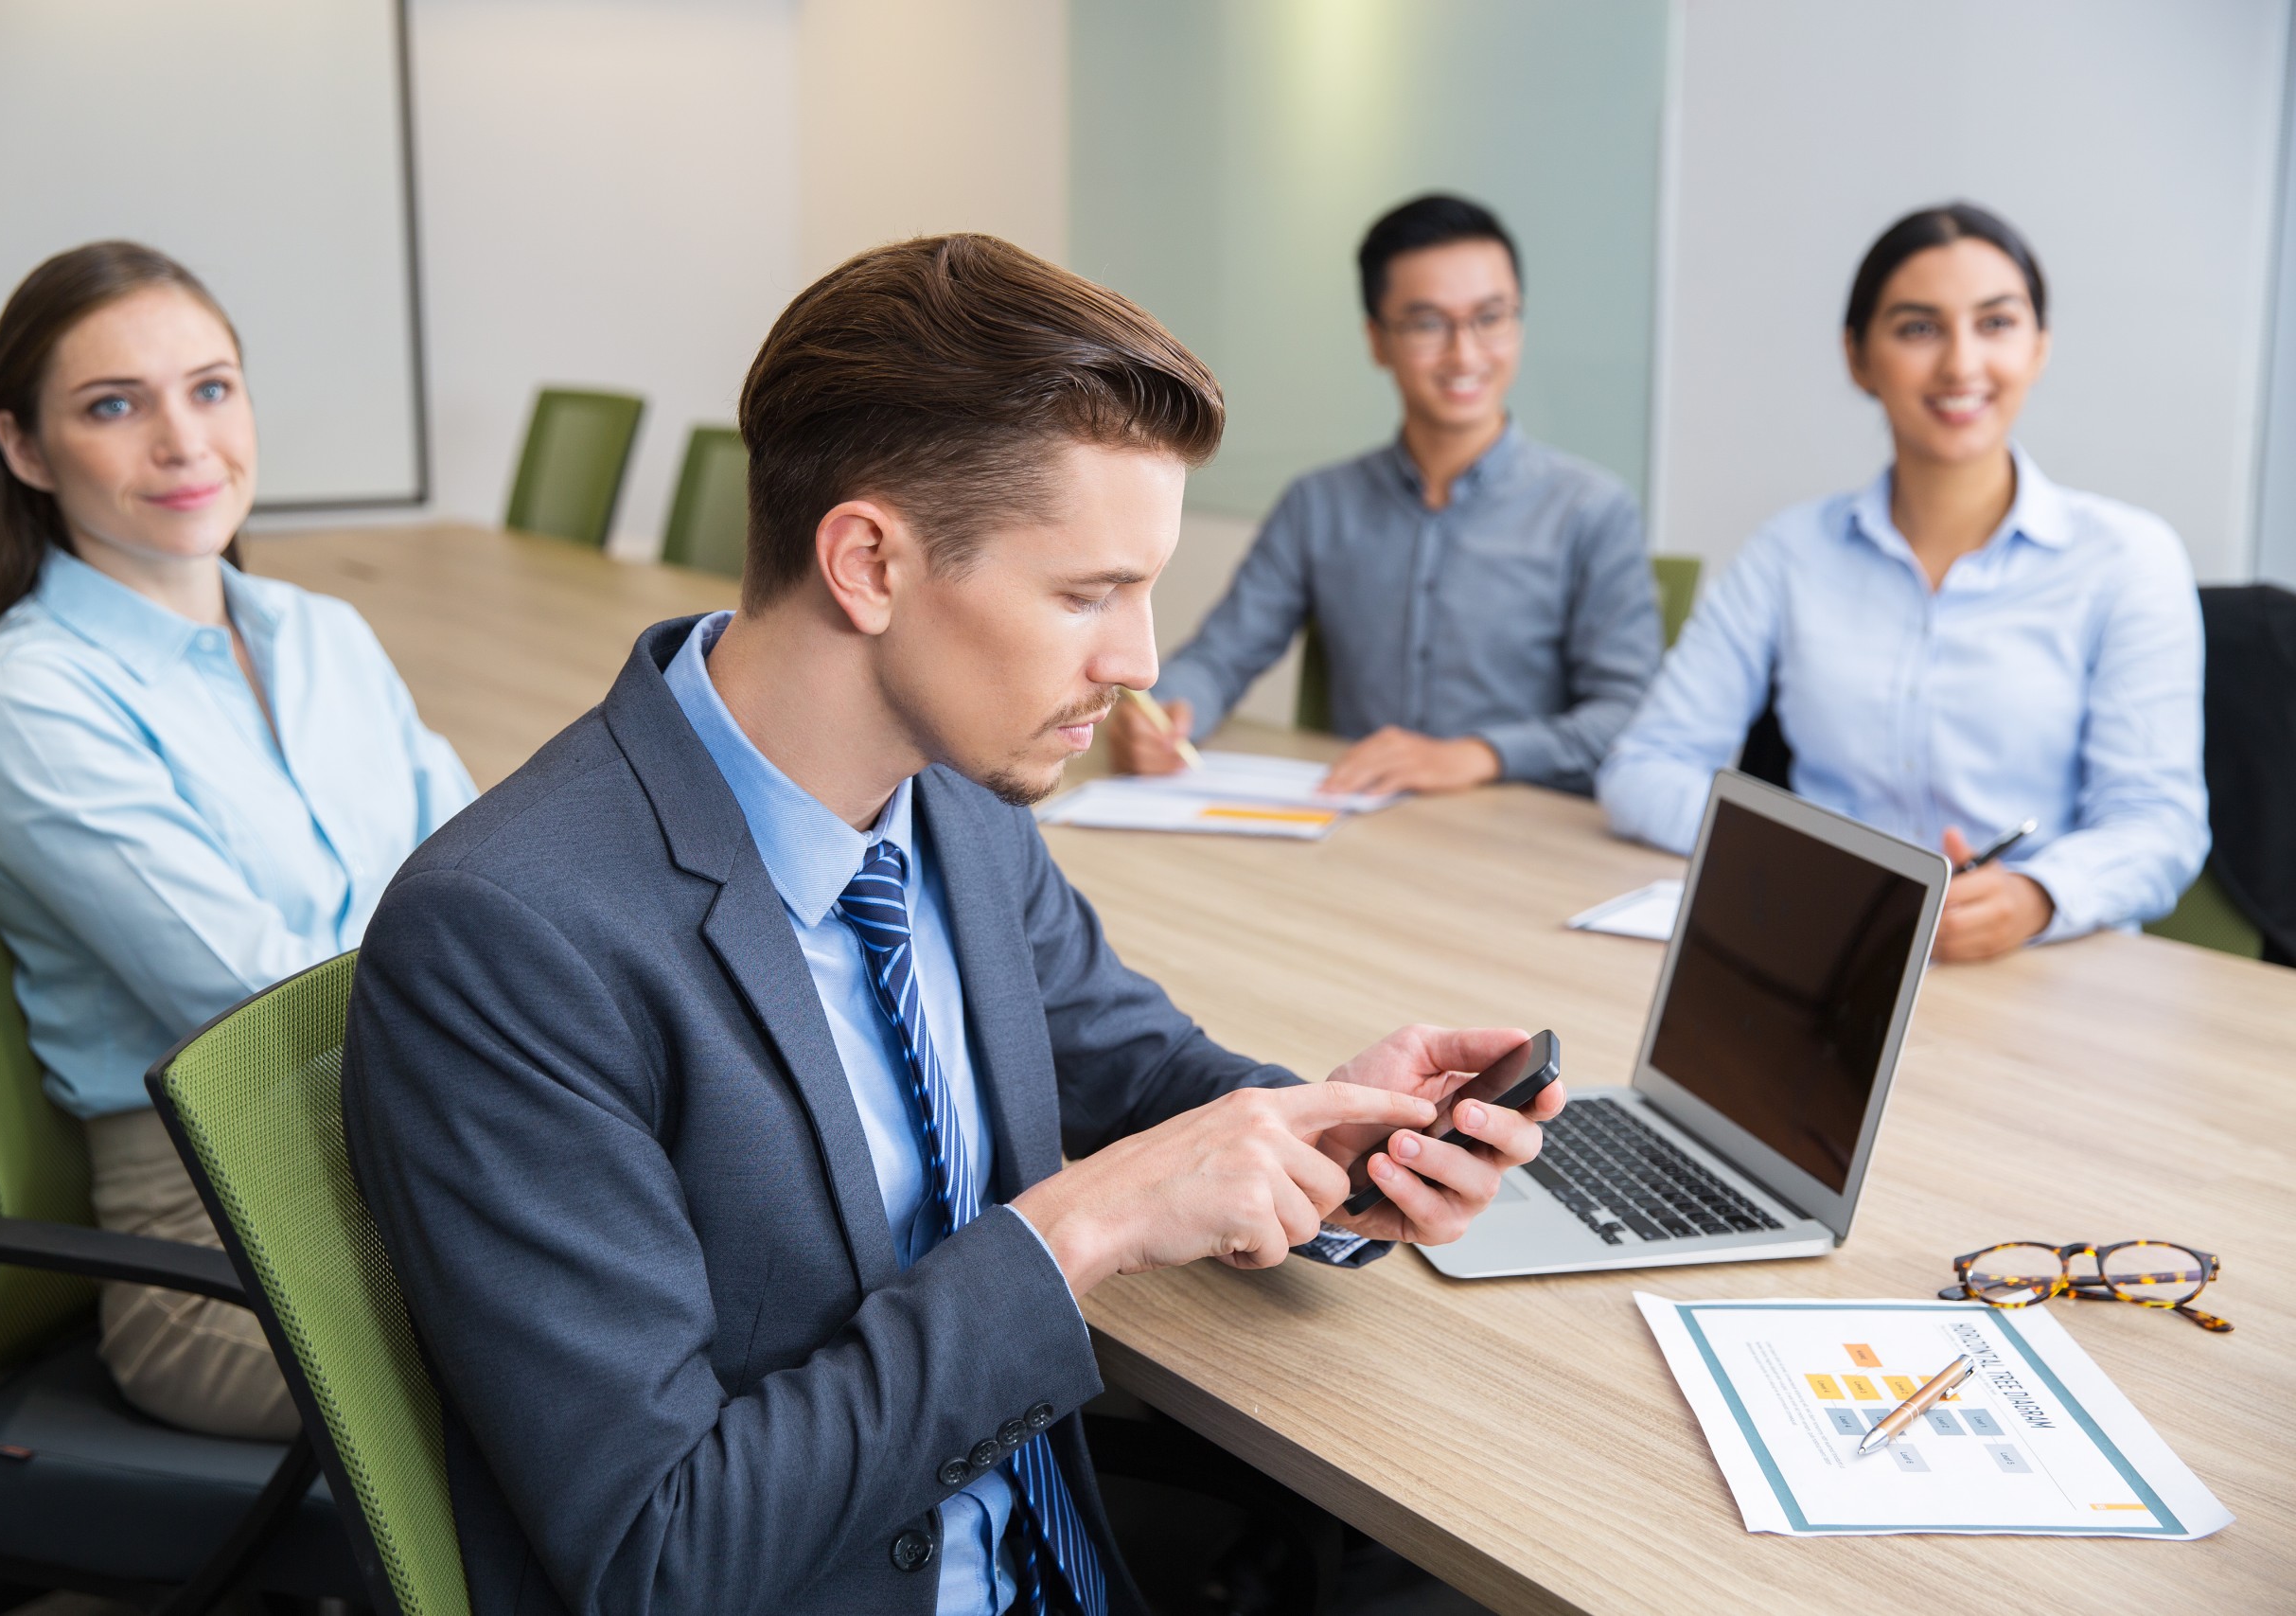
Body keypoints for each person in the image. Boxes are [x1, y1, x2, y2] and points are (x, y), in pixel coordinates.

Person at [341, 235, 1564, 1616]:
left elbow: (1140, 1070)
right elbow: (658, 1551)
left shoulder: (956, 806)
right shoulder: (513, 939)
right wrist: (1084, 1224)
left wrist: (1336, 1139)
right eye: (1087, 593)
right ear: (868, 562)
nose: (1142, 659)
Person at [0, 241, 476, 1439]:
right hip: (226, 1247)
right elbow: (273, 1017)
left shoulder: (322, 633)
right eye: (113, 406)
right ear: (26, 451)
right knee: (622, 1382)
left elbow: (490, 892)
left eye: (212, 387)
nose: (184, 442)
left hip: (431, 1165)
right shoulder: (34, 701)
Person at [1597, 204, 2207, 960]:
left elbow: (2159, 821)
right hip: (1833, 955)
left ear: (2039, 347)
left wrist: (2037, 894)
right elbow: (1645, 769)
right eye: (1918, 328)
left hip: (2041, 969)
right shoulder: (1790, 553)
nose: (1959, 364)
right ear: (1858, 357)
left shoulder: (2129, 559)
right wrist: (1830, 871)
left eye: (1996, 324)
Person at [1106, 192, 1661, 797]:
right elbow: (1221, 657)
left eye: (1491, 317)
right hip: (1355, 826)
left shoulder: (1592, 511)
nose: (1465, 352)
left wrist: (1477, 755)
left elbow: (1627, 715)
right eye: (1428, 323)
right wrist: (1164, 715)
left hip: (1518, 836)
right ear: (1377, 339)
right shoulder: (1318, 505)